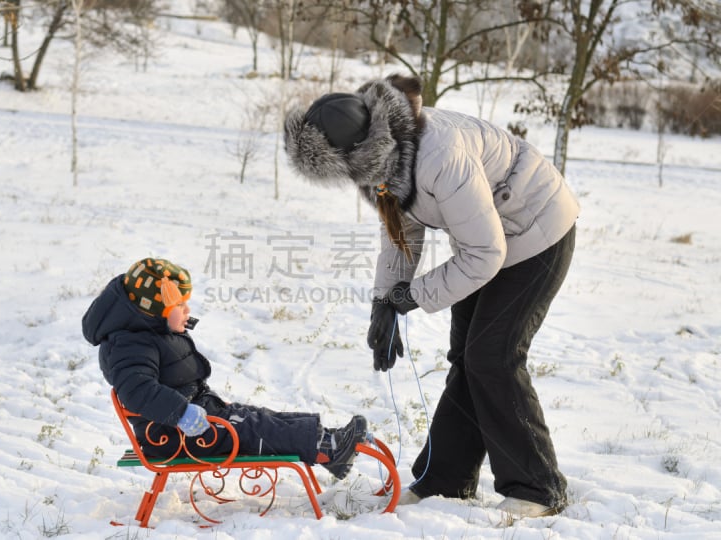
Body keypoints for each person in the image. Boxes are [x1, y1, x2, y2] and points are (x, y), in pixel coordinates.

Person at [283, 74, 579, 517]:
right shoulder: (381, 156)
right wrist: (384, 303)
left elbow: (486, 252)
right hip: (488, 241)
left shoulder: (440, 155)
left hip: (537, 232)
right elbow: (401, 228)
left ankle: (539, 488)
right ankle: (446, 480)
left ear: (359, 150)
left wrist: (413, 296)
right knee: (467, 358)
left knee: (492, 358)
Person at [82, 257, 367, 479]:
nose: (188, 312)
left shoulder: (150, 332)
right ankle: (326, 449)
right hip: (176, 436)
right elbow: (138, 390)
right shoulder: (129, 345)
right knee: (254, 428)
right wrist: (181, 413)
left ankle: (326, 438)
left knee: (256, 416)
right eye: (180, 306)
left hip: (192, 421)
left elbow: (178, 377)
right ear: (155, 311)